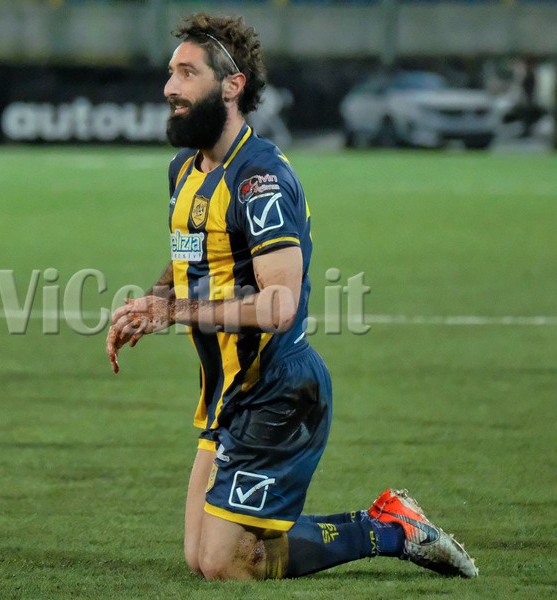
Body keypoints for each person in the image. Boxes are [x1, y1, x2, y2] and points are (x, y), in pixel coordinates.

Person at [106, 13, 478, 581]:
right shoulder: (185, 169)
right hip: (229, 392)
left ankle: (389, 529)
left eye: (187, 73)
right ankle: (379, 524)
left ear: (231, 86)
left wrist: (173, 311)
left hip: (278, 389)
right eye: (171, 72)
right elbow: (195, 257)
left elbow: (278, 306)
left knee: (225, 563)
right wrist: (150, 303)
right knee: (201, 559)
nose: (169, 87)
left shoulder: (260, 180)